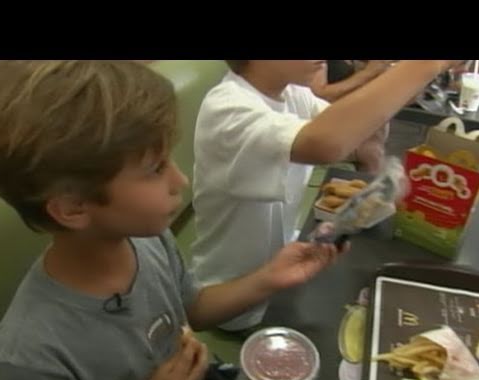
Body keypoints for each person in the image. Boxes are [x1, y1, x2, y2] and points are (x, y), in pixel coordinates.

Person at [0, 60, 345, 380]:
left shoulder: (147, 242)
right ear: (72, 208)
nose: (180, 180)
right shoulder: (30, 353)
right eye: (155, 169)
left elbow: (192, 308)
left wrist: (269, 278)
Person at [190, 60, 464, 332]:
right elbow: (324, 143)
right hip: (232, 301)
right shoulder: (227, 108)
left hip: (281, 270)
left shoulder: (293, 93)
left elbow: (353, 130)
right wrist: (423, 66)